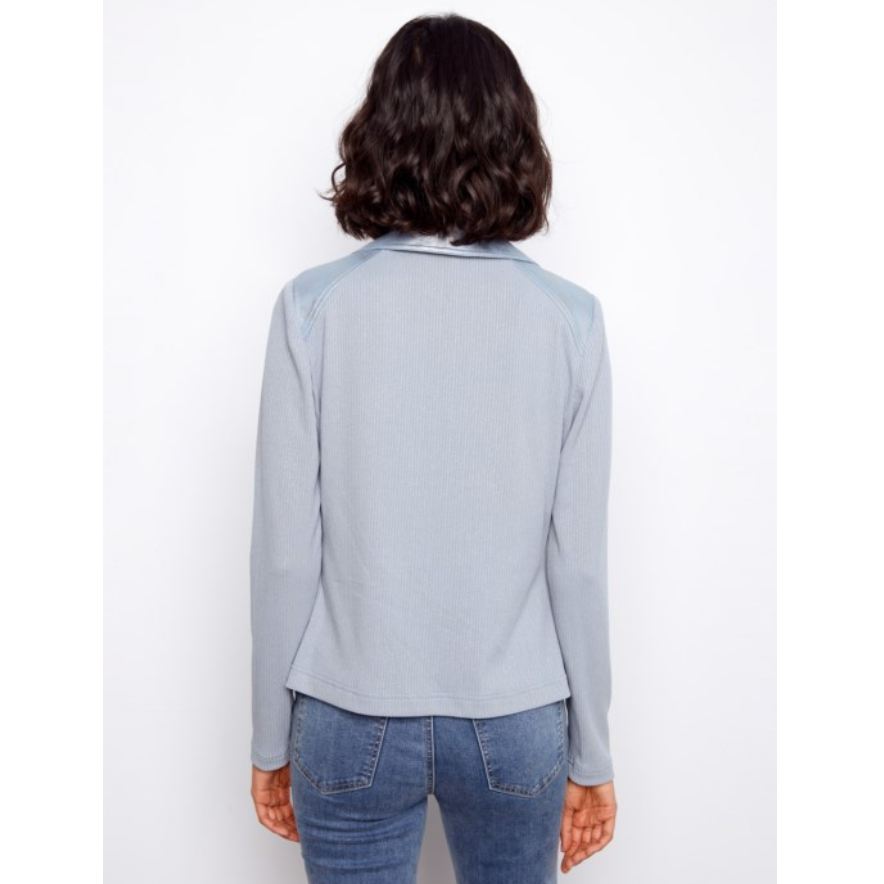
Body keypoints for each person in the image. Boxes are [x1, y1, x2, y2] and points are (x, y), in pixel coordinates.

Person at [249, 12, 618, 882]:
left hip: (347, 711)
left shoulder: (311, 309)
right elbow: (578, 565)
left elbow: (286, 554)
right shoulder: (570, 322)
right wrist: (593, 753)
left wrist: (269, 737)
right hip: (516, 718)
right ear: (515, 139)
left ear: (379, 135)